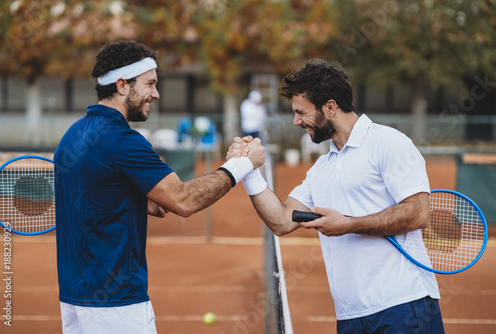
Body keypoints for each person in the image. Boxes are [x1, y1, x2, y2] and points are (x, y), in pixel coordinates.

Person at [53, 40, 265, 334]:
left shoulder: (72, 136)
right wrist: (243, 165)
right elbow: (184, 200)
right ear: (122, 85)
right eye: (149, 84)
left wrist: (138, 200)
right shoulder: (123, 140)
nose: (156, 93)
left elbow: (95, 195)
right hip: (117, 305)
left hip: (75, 300)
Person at [228, 59, 445, 333]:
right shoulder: (322, 168)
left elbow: (418, 212)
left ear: (330, 107)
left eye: (301, 112)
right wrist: (248, 172)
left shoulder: (388, 142)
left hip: (403, 304)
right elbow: (282, 221)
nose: (296, 121)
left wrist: (349, 224)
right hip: (350, 315)